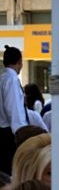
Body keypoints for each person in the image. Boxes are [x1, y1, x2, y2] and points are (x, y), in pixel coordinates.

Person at [0, 46, 28, 174]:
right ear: (19, 62)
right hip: (9, 135)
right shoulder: (11, 80)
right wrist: (21, 134)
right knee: (11, 173)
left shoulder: (2, 78)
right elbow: (14, 109)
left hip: (3, 132)